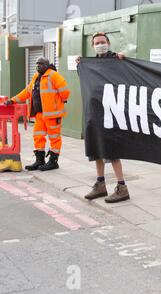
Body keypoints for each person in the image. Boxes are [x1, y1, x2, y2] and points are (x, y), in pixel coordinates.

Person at [76, 32, 130, 203]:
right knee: (96, 149)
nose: (100, 44)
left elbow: (127, 75)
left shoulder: (116, 60)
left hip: (111, 111)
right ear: (93, 46)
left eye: (103, 42)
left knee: (112, 151)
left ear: (108, 43)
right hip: (95, 111)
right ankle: (100, 185)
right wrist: (80, 64)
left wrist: (123, 59)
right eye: (97, 42)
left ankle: (122, 187)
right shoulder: (90, 64)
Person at [5, 57, 70, 171]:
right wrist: (13, 100)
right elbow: (27, 92)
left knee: (54, 137)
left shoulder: (53, 75)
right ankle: (40, 160)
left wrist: (60, 102)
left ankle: (53, 162)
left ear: (47, 65)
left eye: (40, 64)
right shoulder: (36, 77)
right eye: (37, 64)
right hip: (39, 114)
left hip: (52, 114)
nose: (38, 66)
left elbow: (65, 91)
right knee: (38, 136)